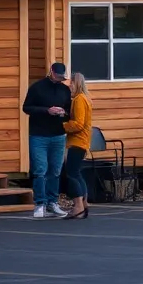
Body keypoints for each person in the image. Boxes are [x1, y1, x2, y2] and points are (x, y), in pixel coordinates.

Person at [22, 63, 72, 219]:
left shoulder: (65, 89)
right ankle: (40, 203)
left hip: (58, 134)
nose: (60, 79)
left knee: (55, 171)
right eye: (58, 76)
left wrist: (64, 112)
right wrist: (46, 110)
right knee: (40, 170)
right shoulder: (37, 88)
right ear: (51, 72)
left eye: (62, 77)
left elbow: (70, 111)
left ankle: (53, 202)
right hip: (39, 135)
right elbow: (27, 107)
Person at [62, 72, 92, 220]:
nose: (70, 86)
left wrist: (63, 126)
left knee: (71, 174)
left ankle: (78, 206)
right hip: (82, 142)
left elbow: (79, 124)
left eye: (71, 83)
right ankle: (84, 204)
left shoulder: (79, 100)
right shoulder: (84, 99)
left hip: (77, 142)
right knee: (77, 173)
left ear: (76, 83)